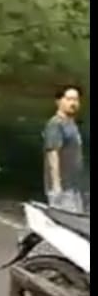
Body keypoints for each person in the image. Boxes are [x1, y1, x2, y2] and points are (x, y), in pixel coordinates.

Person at [43, 86, 87, 214]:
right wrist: (57, 186)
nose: (73, 103)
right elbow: (53, 154)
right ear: (59, 101)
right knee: (65, 222)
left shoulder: (71, 124)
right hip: (62, 188)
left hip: (74, 187)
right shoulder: (55, 124)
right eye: (69, 99)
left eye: (76, 100)